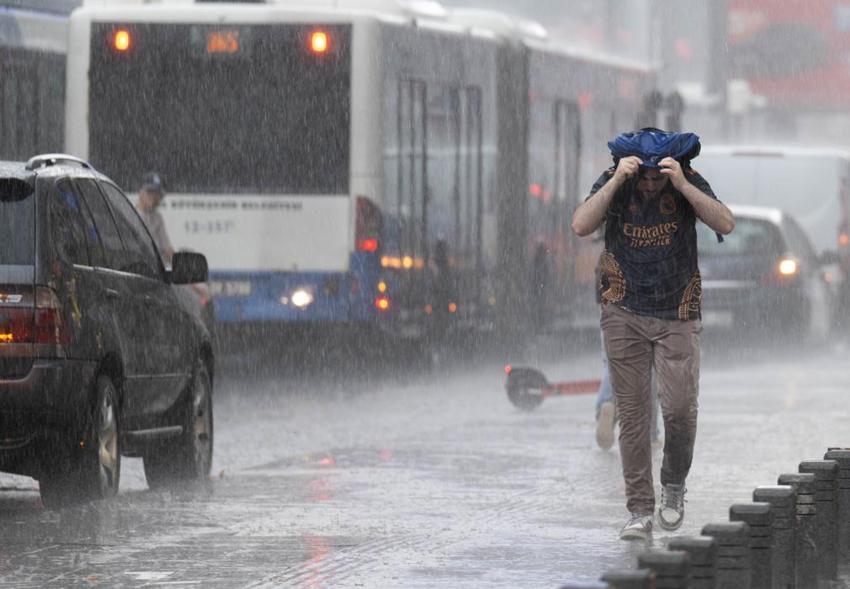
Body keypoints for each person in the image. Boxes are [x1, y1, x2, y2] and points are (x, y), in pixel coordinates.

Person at [571, 128, 735, 541]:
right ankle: (640, 510)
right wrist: (615, 182)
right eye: (642, 174)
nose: (648, 182)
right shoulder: (616, 180)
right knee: (634, 416)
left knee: (680, 408)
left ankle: (674, 485)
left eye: (655, 175)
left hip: (677, 309)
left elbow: (725, 222)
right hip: (622, 309)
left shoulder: (685, 179)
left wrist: (680, 182)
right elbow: (580, 224)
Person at [136, 172, 174, 263]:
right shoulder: (130, 215)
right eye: (149, 192)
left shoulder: (157, 218)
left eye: (158, 193)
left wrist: (180, 265)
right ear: (140, 191)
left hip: (156, 270)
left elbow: (167, 249)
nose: (153, 197)